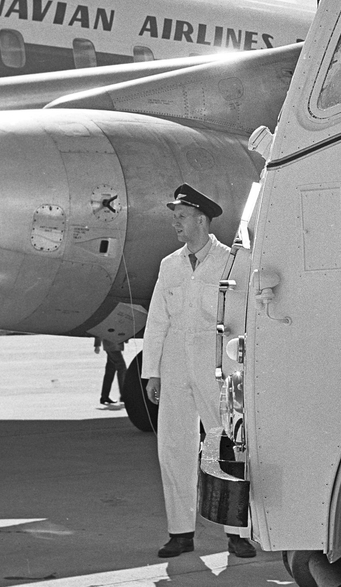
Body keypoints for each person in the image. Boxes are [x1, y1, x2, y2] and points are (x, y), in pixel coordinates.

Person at [142, 184, 255, 559]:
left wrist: (241, 371)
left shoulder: (233, 262)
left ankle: (236, 533)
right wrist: (152, 372)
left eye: (182, 216)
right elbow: (157, 321)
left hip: (219, 369)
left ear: (202, 220)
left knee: (225, 444)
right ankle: (180, 532)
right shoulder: (169, 265)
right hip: (175, 366)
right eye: (174, 216)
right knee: (173, 446)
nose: (176, 223)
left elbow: (242, 322)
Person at [94, 335, 126, 407]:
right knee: (122, 369)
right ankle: (124, 395)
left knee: (110, 371)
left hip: (113, 345)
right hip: (112, 346)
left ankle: (104, 396)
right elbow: (99, 330)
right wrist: (97, 345)